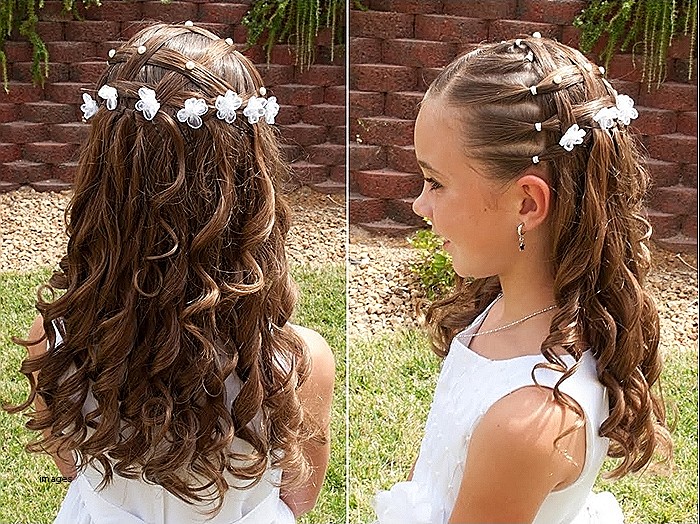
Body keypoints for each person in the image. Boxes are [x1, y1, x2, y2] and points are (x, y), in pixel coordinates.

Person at [5, 22, 335, 524]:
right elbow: (299, 497)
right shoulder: (295, 364)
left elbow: (70, 464)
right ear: (252, 185)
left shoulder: (56, 341)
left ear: (102, 183)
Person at [373, 34, 671, 524]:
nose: (419, 204)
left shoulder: (529, 421)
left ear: (527, 203)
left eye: (435, 182)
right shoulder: (512, 310)